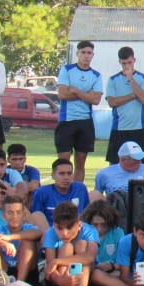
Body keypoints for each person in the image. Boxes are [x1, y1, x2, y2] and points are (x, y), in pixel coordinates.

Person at [56, 40, 103, 184]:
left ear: (93, 55)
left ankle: (77, 191)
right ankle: (62, 190)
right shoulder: (67, 70)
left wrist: (75, 90)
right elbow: (62, 94)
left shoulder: (96, 75)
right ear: (77, 54)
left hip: (85, 122)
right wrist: (86, 94)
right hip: (67, 121)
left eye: (89, 53)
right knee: (63, 160)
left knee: (80, 162)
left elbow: (96, 100)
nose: (86, 56)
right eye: (83, 52)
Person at [43, 200, 99, 286]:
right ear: (54, 225)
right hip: (60, 279)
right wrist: (61, 280)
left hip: (85, 277)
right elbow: (50, 267)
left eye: (69, 228)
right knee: (66, 246)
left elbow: (90, 257)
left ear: (79, 225)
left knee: (81, 244)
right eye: (60, 228)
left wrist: (57, 261)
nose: (64, 233)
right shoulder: (50, 233)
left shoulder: (89, 231)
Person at [0, 195, 42, 285]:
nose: (14, 216)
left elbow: (38, 233)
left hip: (25, 272)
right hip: (4, 270)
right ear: (3, 215)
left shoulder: (29, 228)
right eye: (10, 213)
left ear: (24, 214)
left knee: (28, 240)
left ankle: (19, 284)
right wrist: (2, 242)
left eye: (18, 212)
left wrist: (9, 237)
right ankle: (0, 281)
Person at [104, 46, 144, 166]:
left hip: (138, 129)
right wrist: (132, 95)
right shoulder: (113, 80)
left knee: (141, 165)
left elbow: (143, 99)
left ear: (134, 60)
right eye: (124, 63)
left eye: (129, 62)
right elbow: (112, 102)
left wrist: (131, 79)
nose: (127, 66)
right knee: (115, 165)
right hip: (119, 130)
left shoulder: (143, 78)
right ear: (119, 62)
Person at [31, 159, 90, 229]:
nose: (66, 177)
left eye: (69, 173)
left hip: (77, 230)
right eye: (61, 174)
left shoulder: (80, 188)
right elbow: (37, 217)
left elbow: (87, 214)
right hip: (51, 232)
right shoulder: (42, 192)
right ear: (53, 175)